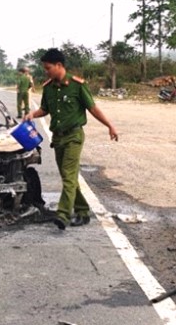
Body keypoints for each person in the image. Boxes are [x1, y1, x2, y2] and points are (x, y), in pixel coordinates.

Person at [23, 48, 118, 231]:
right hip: (58, 138)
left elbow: (92, 108)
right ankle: (82, 211)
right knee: (69, 176)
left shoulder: (77, 85)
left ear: (59, 65)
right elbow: (45, 109)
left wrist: (109, 125)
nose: (46, 71)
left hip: (74, 136)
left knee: (68, 176)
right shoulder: (49, 87)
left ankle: (63, 214)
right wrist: (32, 114)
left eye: (48, 67)